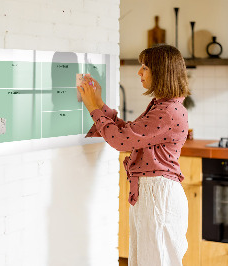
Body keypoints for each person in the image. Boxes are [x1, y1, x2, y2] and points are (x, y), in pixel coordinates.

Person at [78, 44, 190, 266]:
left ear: (161, 72)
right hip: (153, 193)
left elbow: (121, 141)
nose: (139, 72)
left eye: (145, 67)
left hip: (158, 195)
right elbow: (129, 133)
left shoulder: (167, 111)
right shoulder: (163, 106)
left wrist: (93, 108)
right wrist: (99, 104)